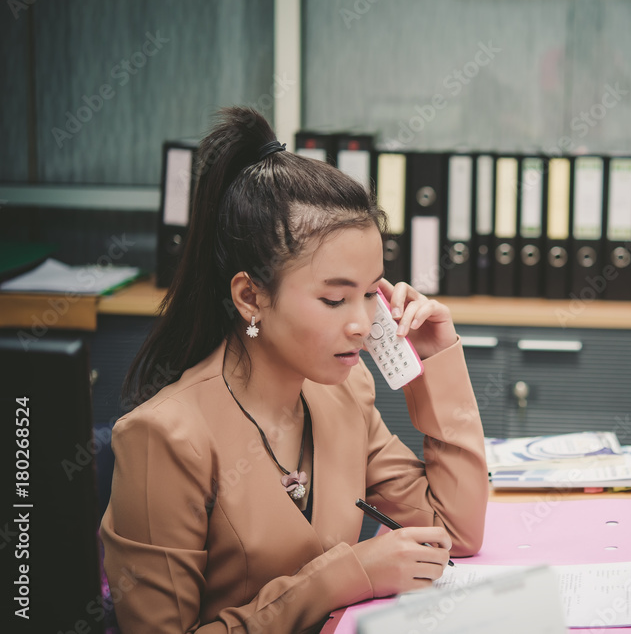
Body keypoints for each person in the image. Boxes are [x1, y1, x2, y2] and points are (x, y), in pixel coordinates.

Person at [100, 107, 488, 633]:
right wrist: (336, 579)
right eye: (334, 299)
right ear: (250, 296)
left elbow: (453, 531)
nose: (362, 323)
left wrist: (436, 360)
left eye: (371, 292)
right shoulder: (164, 438)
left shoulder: (346, 392)